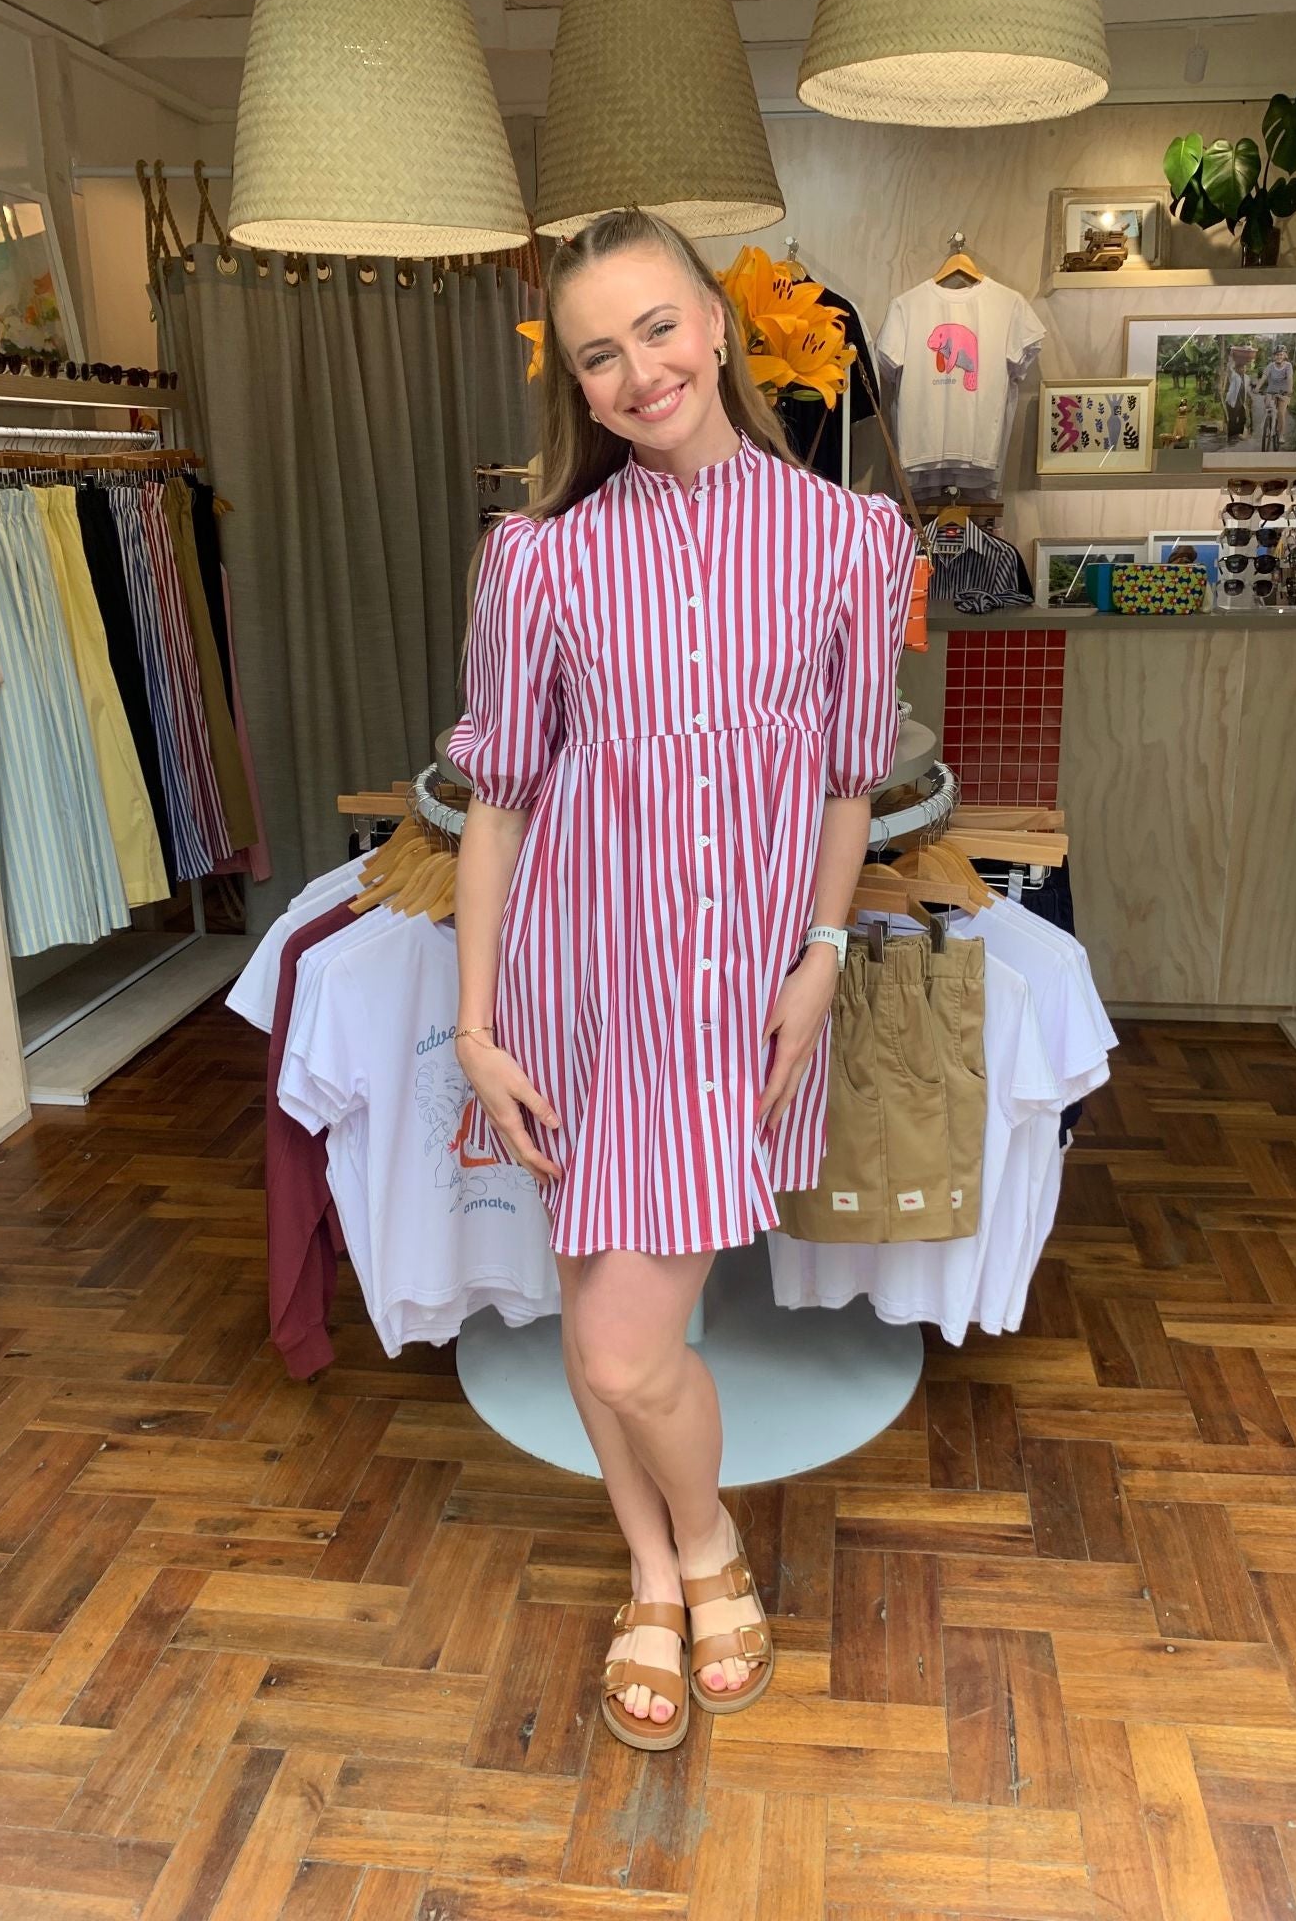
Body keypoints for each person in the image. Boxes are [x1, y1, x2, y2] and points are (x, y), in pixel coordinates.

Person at [444, 208, 916, 1752]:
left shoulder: (850, 540)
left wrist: (823, 955)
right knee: (597, 1319)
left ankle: (701, 1543)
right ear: (574, 387)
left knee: (620, 1345)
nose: (638, 370)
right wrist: (476, 1024)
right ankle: (663, 1569)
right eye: (599, 353)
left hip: (730, 1005)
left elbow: (848, 780)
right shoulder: (540, 561)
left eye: (657, 327)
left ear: (715, 325)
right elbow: (500, 802)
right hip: (578, 995)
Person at [1260, 345, 1296, 451]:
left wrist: (1289, 389)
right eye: (1276, 355)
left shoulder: (1288, 366)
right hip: (1271, 391)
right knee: (1267, 405)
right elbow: (1263, 377)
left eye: (1281, 354)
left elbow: (1290, 378)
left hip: (1284, 392)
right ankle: (1269, 421)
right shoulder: (1271, 366)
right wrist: (1257, 388)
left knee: (1281, 413)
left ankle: (1281, 435)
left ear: (1284, 355)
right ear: (1274, 356)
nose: (1279, 356)